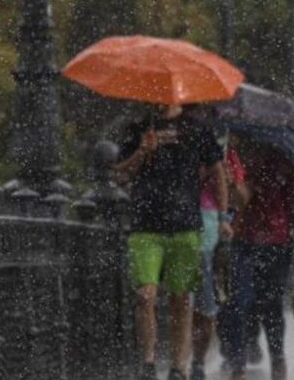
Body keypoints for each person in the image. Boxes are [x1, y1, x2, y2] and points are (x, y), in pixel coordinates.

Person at [115, 104, 227, 380]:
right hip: (145, 227)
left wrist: (224, 216)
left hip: (185, 226)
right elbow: (120, 174)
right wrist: (143, 150)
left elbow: (217, 172)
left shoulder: (197, 129)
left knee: (181, 298)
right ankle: (148, 363)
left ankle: (178, 367)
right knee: (145, 295)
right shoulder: (138, 128)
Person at [223, 145, 294, 380]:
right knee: (246, 302)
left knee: (264, 303)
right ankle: (244, 360)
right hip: (250, 239)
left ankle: (270, 357)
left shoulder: (276, 161)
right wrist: (235, 181)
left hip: (272, 241)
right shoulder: (239, 158)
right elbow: (242, 200)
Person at [191, 142, 248, 380]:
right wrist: (207, 173)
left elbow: (242, 199)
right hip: (183, 221)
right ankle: (193, 359)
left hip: (212, 229)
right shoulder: (179, 144)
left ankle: (205, 359)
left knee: (214, 301)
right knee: (190, 299)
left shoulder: (227, 154)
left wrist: (228, 180)